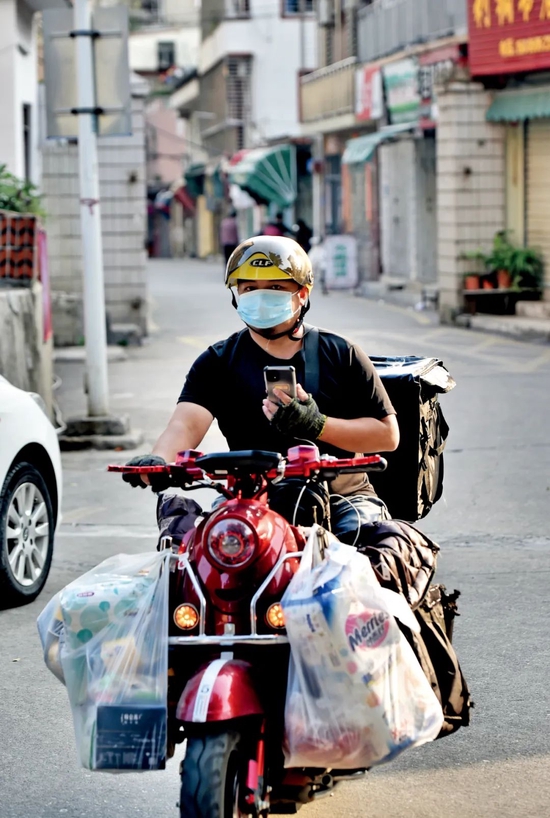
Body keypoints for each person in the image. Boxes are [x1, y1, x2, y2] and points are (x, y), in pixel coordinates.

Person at [123, 236, 399, 539]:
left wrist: (317, 426)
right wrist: (159, 460)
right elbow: (184, 425)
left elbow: (387, 436)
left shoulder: (341, 353)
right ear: (237, 295)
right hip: (247, 497)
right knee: (197, 556)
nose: (261, 296)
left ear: (302, 294)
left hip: (341, 497)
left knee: (370, 556)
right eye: (250, 289)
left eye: (276, 287)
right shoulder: (217, 361)